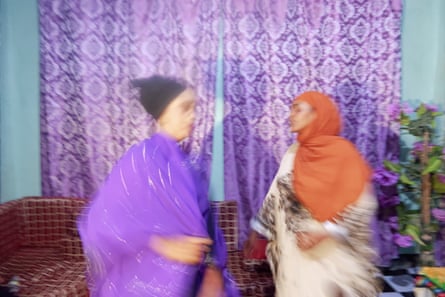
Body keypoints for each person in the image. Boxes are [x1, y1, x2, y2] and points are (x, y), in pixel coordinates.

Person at [78, 75, 239, 297]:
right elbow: (100, 221)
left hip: (196, 281)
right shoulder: (139, 160)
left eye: (194, 108)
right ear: (163, 112)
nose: (193, 116)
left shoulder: (191, 165)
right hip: (150, 280)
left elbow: (207, 222)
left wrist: (213, 269)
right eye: (184, 108)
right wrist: (161, 243)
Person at [244, 91, 380, 297]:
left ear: (317, 114)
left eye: (297, 109)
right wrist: (259, 229)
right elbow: (277, 193)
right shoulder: (293, 153)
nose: (291, 115)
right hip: (294, 253)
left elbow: (362, 204)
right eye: (291, 109)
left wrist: (326, 231)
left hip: (329, 255)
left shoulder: (343, 154)